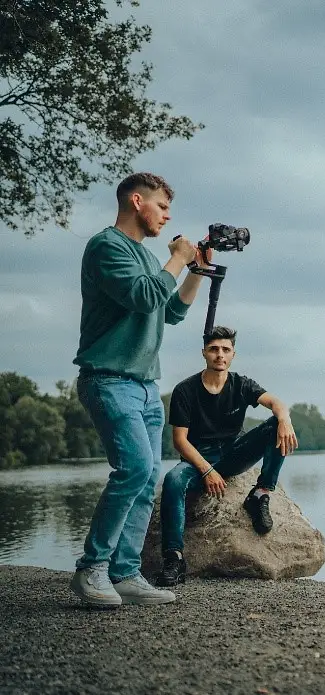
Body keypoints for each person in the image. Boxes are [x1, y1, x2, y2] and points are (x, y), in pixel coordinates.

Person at [70, 172, 207, 608]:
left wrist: (195, 271)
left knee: (147, 479)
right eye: (162, 207)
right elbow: (145, 297)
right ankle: (91, 569)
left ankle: (125, 573)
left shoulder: (151, 259)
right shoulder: (107, 246)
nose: (168, 216)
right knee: (132, 470)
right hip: (108, 380)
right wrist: (177, 259)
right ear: (137, 201)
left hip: (146, 386)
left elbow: (171, 312)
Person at [155, 326, 298, 587]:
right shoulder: (185, 390)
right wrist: (207, 470)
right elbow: (180, 441)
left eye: (225, 350)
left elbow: (276, 403)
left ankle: (260, 494)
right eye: (214, 349)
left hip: (233, 454)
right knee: (174, 480)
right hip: (197, 459)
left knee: (276, 425)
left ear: (233, 355)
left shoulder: (241, 384)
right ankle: (174, 558)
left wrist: (285, 418)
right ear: (204, 353)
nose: (219, 355)